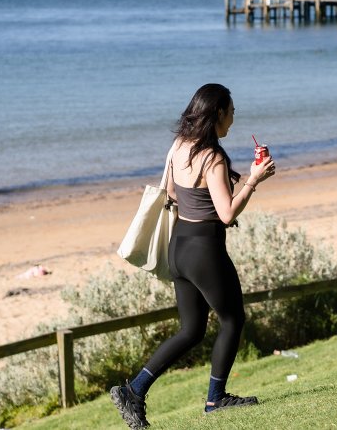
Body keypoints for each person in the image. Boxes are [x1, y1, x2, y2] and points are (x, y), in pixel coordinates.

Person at [111, 83, 276, 429]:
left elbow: (172, 192)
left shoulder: (179, 146)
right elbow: (227, 214)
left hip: (179, 248)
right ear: (217, 113)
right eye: (231, 112)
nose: (233, 118)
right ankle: (216, 399)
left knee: (191, 330)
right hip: (204, 250)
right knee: (232, 320)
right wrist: (254, 180)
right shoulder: (212, 157)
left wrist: (214, 188)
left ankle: (134, 390)